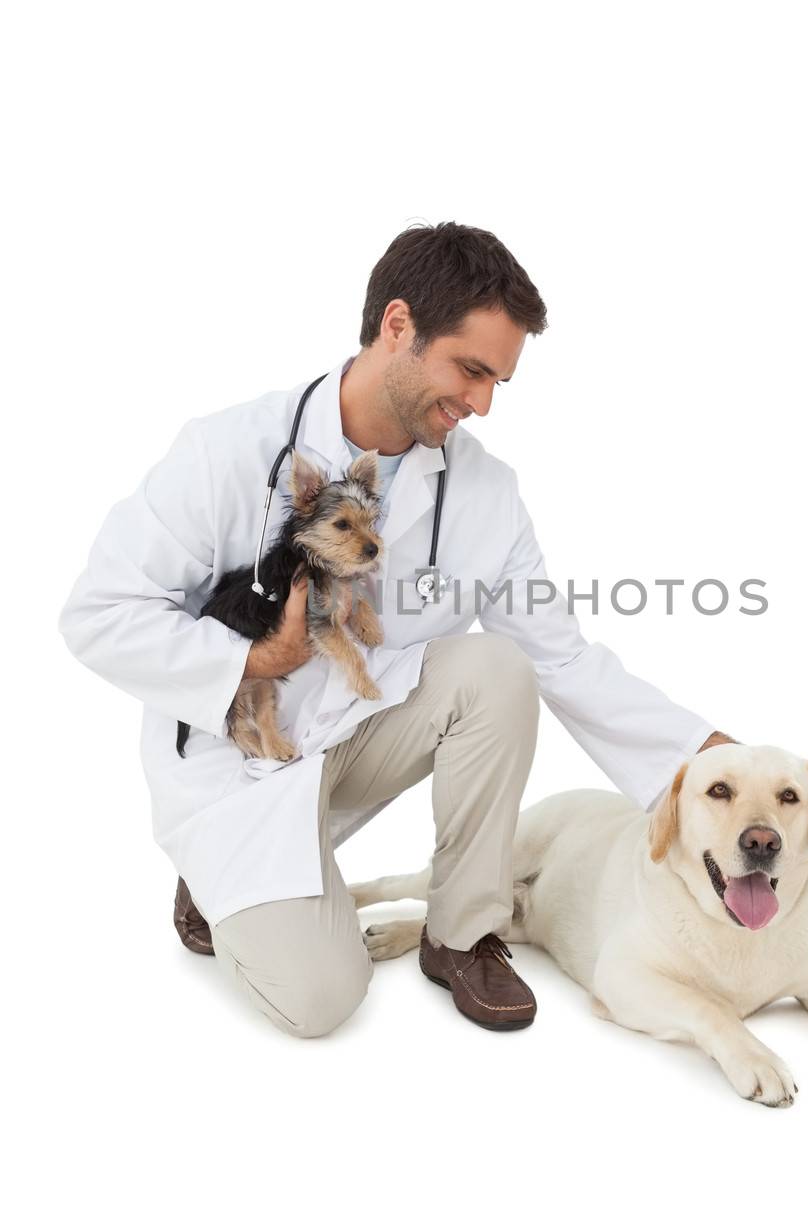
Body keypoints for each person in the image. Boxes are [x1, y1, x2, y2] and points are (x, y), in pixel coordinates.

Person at [59, 222, 731, 1036]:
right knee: (317, 1002)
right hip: (237, 762)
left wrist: (707, 760)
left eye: (497, 383)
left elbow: (561, 658)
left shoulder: (486, 491)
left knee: (497, 667)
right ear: (397, 325)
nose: (481, 403)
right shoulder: (230, 450)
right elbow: (99, 613)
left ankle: (462, 933)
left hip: (361, 733)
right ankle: (219, 885)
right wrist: (255, 656)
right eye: (471, 370)